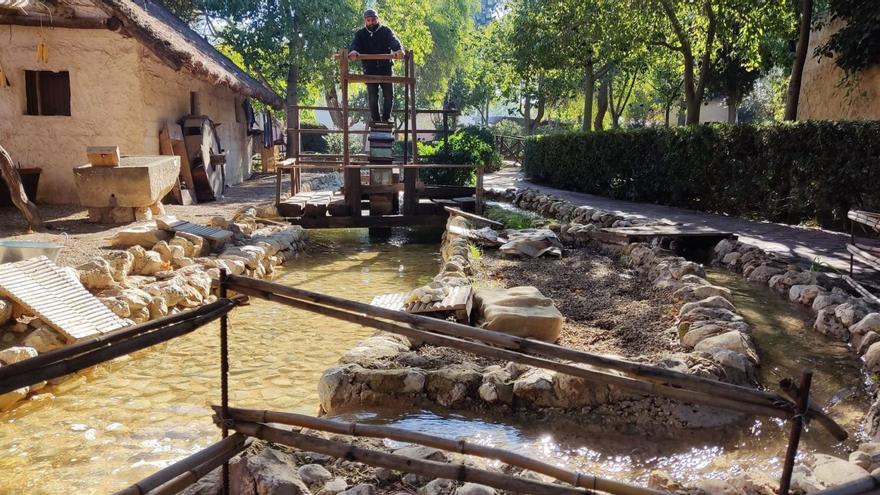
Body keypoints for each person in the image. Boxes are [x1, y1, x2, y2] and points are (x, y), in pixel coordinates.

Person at [348, 9, 405, 124]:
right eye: (369, 20)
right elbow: (355, 44)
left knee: (389, 95)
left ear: (377, 19)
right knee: (372, 97)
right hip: (370, 69)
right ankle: (376, 120)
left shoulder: (386, 31)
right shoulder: (360, 34)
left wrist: (398, 50)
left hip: (385, 68)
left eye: (373, 19)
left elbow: (393, 41)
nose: (371, 22)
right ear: (365, 21)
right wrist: (353, 51)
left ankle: (385, 119)